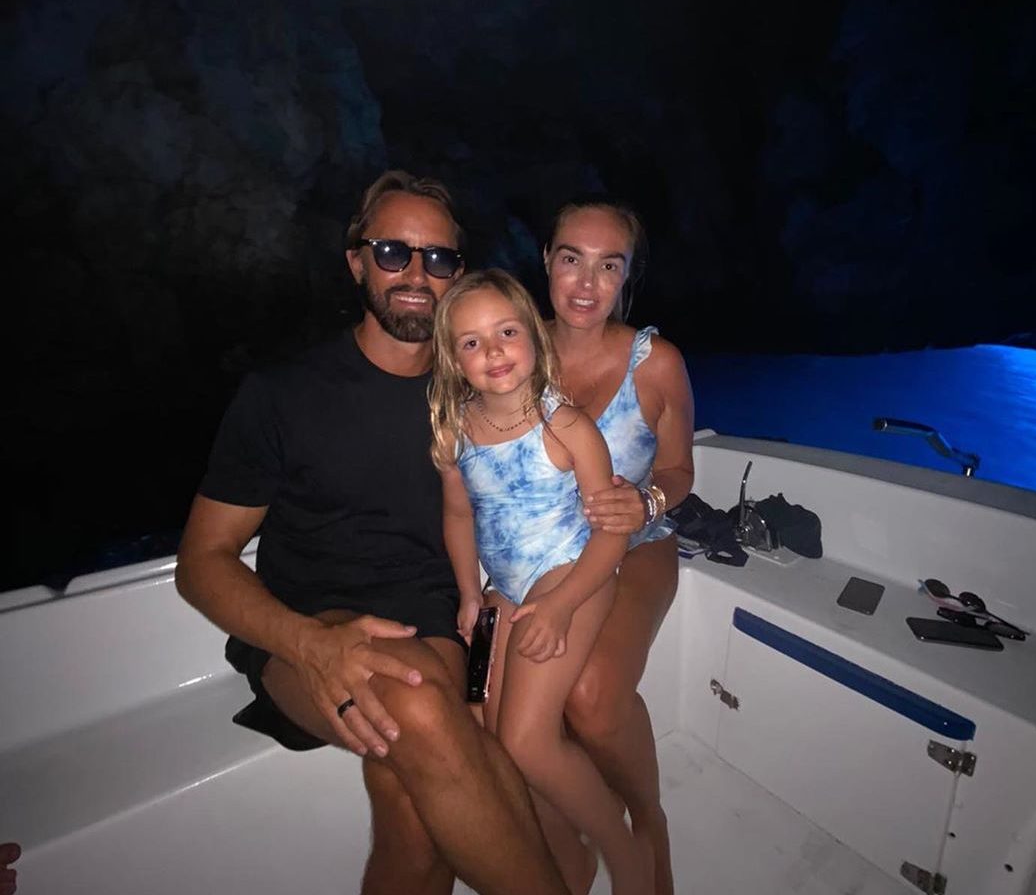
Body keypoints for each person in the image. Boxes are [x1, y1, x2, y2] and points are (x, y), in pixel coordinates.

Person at [175, 172, 570, 895]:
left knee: (413, 806)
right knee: (416, 712)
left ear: (458, 273)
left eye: (439, 258)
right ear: (357, 261)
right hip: (301, 625)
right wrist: (311, 644)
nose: (418, 274)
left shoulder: (479, 393)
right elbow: (201, 562)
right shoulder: (282, 394)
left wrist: (642, 500)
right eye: (394, 252)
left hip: (430, 621)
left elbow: (570, 441)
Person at [429, 269, 650, 895]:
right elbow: (459, 515)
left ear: (533, 336)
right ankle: (567, 857)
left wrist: (561, 605)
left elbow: (611, 535)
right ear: (454, 360)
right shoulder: (454, 432)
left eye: (506, 332)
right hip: (500, 590)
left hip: (573, 574)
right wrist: (469, 594)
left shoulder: (567, 427)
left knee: (526, 742)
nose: (493, 351)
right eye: (471, 342)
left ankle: (624, 850)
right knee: (487, 734)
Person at [545, 198, 695, 895]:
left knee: (592, 694)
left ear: (627, 276)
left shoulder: (656, 363)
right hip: (546, 555)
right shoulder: (513, 351)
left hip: (636, 544)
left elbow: (680, 470)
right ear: (547, 262)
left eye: (609, 266)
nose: (586, 283)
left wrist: (646, 501)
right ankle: (574, 828)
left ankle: (649, 822)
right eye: (571, 259)